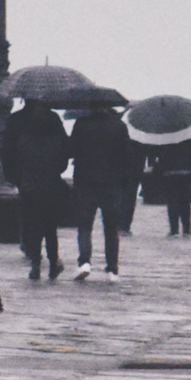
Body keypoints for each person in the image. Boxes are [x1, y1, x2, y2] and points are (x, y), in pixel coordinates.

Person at [2, 95, 71, 280]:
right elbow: (64, 158)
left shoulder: (25, 138)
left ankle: (35, 263)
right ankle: (53, 261)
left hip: (29, 186)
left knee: (33, 224)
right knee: (50, 227)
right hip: (51, 184)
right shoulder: (55, 135)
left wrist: (19, 178)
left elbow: (14, 157)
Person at [68, 101, 133, 281]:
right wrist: (125, 182)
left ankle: (84, 262)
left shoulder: (81, 124)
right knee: (111, 227)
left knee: (84, 224)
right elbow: (127, 155)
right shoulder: (118, 126)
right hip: (112, 183)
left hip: (86, 181)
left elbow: (71, 150)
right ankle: (112, 269)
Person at [151, 136, 191, 236]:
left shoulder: (164, 137)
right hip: (186, 172)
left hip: (169, 172)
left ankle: (174, 229)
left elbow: (156, 153)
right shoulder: (188, 136)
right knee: (185, 200)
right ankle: (186, 228)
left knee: (172, 200)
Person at [118, 140, 146, 237]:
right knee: (130, 196)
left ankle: (117, 224)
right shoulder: (141, 137)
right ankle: (124, 226)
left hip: (120, 168)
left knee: (119, 195)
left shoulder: (121, 130)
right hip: (135, 169)